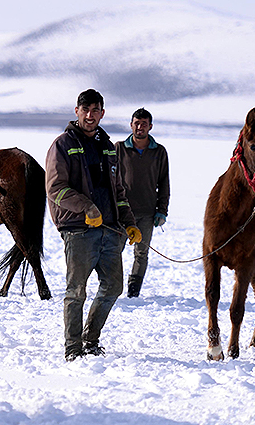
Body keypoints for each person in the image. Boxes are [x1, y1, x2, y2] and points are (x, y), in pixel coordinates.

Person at [45, 89, 142, 362]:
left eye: (95, 110)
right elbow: (55, 188)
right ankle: (73, 347)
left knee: (113, 287)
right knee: (76, 291)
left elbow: (118, 191)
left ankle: (91, 340)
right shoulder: (63, 145)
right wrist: (85, 207)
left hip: (110, 231)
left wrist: (130, 224)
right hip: (78, 230)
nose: (90, 115)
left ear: (102, 113)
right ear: (76, 111)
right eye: (85, 109)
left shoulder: (108, 146)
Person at [115, 108, 170, 298]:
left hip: (147, 211)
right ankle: (113, 287)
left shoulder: (159, 152)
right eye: (137, 123)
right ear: (131, 125)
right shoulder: (119, 148)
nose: (140, 127)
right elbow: (110, 179)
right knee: (115, 251)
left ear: (150, 127)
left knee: (141, 253)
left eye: (144, 124)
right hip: (122, 211)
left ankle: (133, 290)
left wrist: (162, 210)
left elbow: (164, 183)